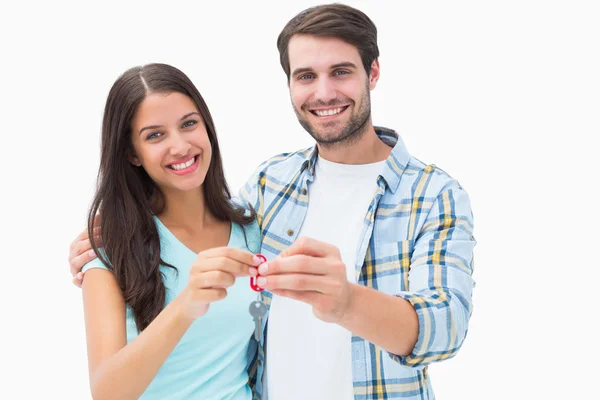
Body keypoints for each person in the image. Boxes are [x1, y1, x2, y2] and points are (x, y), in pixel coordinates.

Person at [70, 4, 476, 399]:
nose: (323, 92)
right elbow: (193, 222)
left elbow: (445, 327)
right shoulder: (270, 185)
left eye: (340, 72)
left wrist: (347, 301)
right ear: (289, 85)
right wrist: (106, 236)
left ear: (373, 72)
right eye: (305, 76)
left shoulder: (433, 194)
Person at [77, 62, 264, 399]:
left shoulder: (251, 229)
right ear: (132, 154)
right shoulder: (108, 253)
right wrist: (186, 304)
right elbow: (107, 393)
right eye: (155, 135)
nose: (180, 146)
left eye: (189, 124)